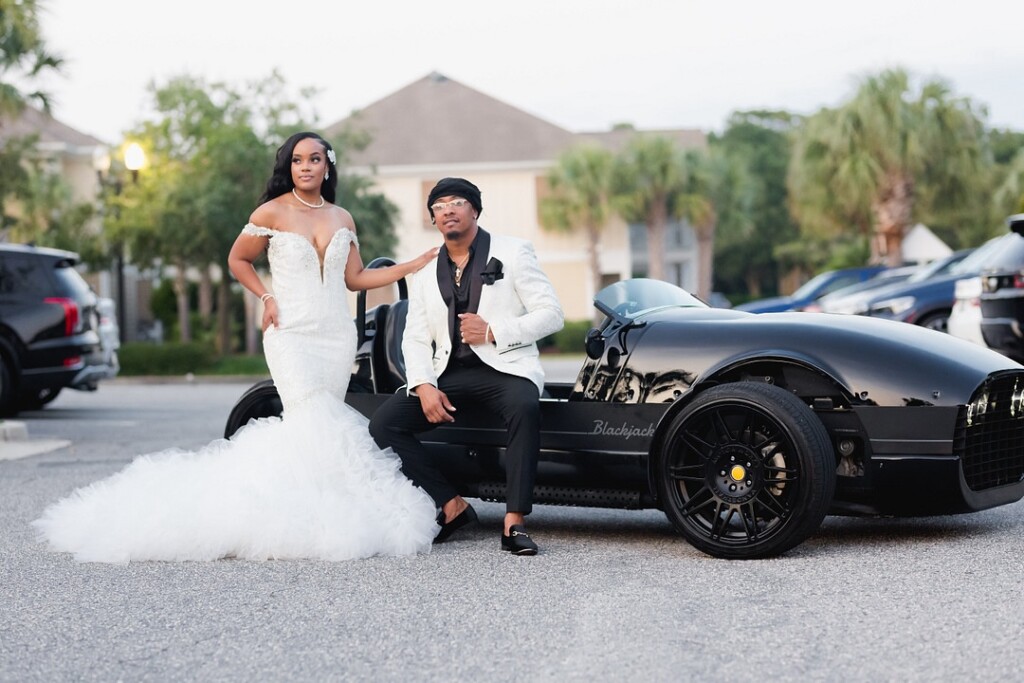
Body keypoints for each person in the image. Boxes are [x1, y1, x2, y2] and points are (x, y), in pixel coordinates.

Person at [32, 132, 441, 563]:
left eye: (315, 159)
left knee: (318, 426)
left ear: (327, 166)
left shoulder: (343, 218)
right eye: (298, 160)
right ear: (289, 166)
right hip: (290, 331)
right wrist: (265, 296)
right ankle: (290, 520)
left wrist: (411, 266)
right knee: (312, 417)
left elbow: (355, 279)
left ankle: (313, 510)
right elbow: (237, 259)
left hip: (335, 335)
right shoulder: (271, 211)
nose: (306, 166)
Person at [368, 177, 564, 556]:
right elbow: (415, 338)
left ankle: (514, 523)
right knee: (384, 423)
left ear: (474, 209)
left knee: (525, 406)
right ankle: (451, 506)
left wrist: (494, 330)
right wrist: (424, 384)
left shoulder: (514, 251)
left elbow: (552, 315)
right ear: (433, 219)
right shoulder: (425, 270)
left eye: (457, 202)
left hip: (506, 368)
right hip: (448, 373)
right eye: (439, 207)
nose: (448, 211)